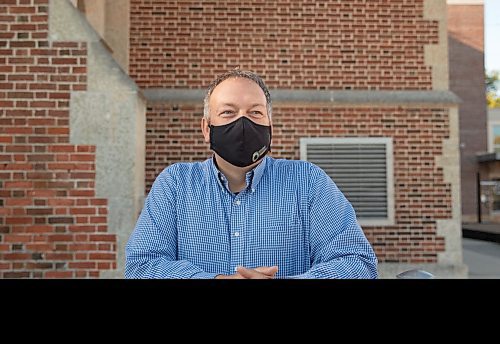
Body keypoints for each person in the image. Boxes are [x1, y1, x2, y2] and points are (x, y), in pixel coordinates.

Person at [125, 70, 378, 279]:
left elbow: (357, 263)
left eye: (255, 112)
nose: (243, 123)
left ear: (270, 126)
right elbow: (141, 266)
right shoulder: (175, 185)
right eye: (228, 113)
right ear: (206, 128)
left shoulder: (308, 182)